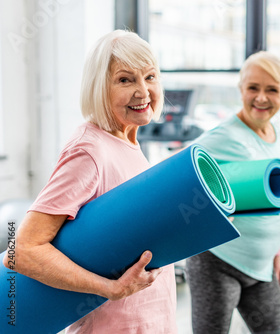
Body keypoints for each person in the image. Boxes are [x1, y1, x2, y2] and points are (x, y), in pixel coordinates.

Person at [2, 30, 177, 333]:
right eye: (125, 80)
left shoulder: (128, 143)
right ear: (99, 87)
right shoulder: (89, 149)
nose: (143, 91)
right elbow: (23, 251)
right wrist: (110, 288)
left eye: (150, 77)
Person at [185, 51, 280, 334]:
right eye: (253, 88)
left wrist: (276, 250)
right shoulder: (223, 137)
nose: (261, 98)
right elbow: (177, 176)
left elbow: (278, 202)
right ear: (241, 89)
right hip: (218, 262)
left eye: (272, 89)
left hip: (262, 267)